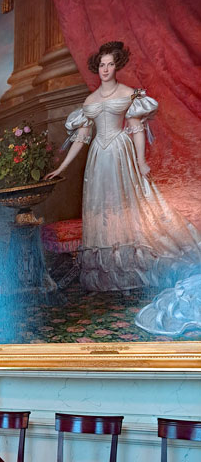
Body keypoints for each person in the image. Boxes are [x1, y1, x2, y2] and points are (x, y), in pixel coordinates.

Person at [46, 41, 201, 292]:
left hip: (120, 151)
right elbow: (81, 138)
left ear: (116, 66)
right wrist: (62, 167)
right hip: (98, 156)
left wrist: (141, 162)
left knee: (125, 204)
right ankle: (110, 274)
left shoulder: (128, 93)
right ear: (97, 68)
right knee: (103, 209)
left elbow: (137, 129)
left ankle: (133, 269)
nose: (105, 69)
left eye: (110, 64)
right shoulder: (90, 100)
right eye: (102, 65)